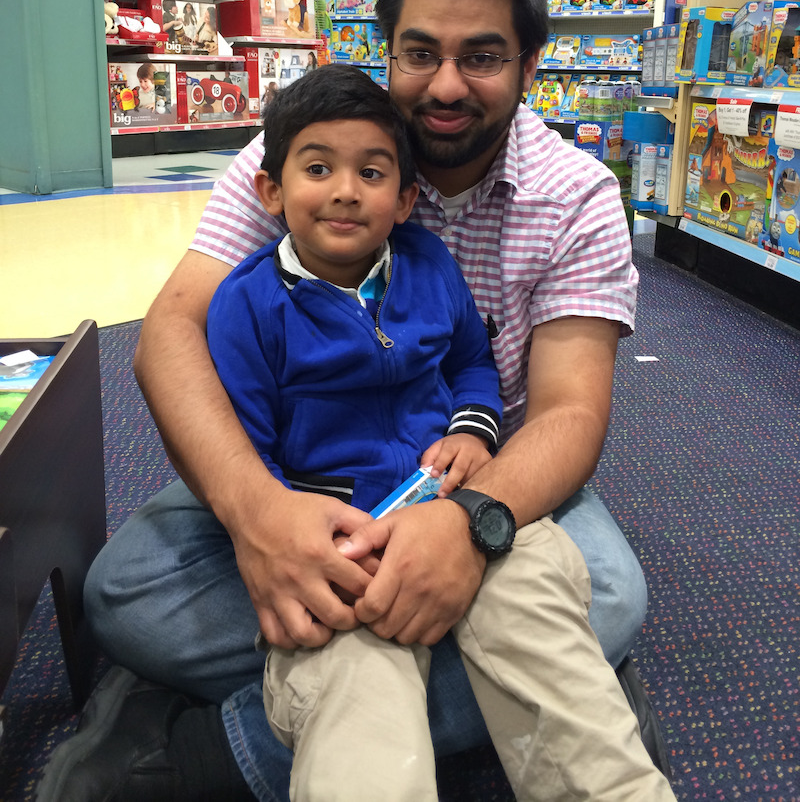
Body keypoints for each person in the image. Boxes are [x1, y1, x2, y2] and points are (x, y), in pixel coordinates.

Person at [39, 0, 658, 801]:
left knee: (613, 596)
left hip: (481, 479)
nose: (444, 85)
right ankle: (537, 688)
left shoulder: (579, 196)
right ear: (388, 51)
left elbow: (565, 414)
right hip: (307, 473)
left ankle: (222, 747)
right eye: (419, 53)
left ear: (530, 64)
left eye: (481, 56)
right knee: (123, 592)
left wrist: (468, 526)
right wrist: (261, 516)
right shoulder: (304, 145)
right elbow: (172, 332)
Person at [206, 65, 673, 801]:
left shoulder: (430, 263)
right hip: (345, 537)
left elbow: (470, 362)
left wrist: (475, 434)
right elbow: (244, 437)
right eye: (318, 169)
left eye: (372, 172)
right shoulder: (247, 305)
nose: (345, 190)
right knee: (355, 680)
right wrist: (279, 521)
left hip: (464, 496)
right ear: (270, 191)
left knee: (546, 608)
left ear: (406, 200)